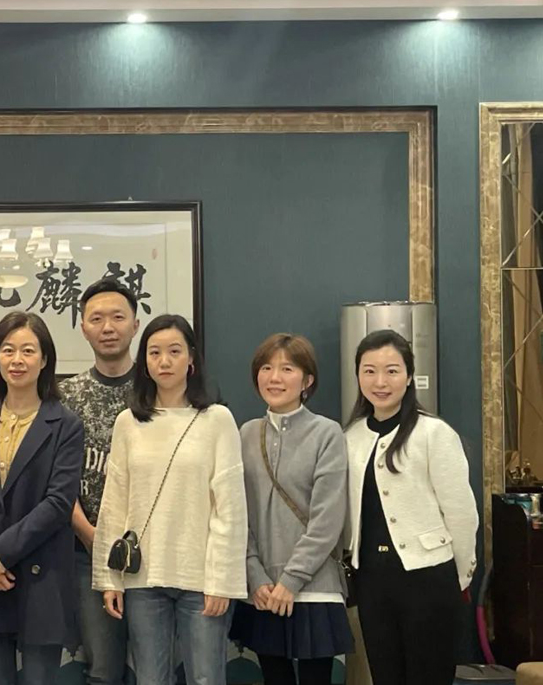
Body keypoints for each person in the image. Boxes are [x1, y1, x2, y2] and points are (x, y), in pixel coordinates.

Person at [93, 314, 247, 685]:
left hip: (201, 578)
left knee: (206, 678)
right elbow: (115, 503)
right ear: (144, 361)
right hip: (143, 578)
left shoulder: (217, 419)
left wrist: (222, 581)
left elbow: (230, 508)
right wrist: (109, 578)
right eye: (154, 352)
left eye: (174, 351)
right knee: (150, 678)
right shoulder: (129, 422)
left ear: (191, 358)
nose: (164, 361)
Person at [0, 311, 83, 685]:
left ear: (45, 359)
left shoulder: (66, 424)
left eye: (28, 350)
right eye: (8, 350)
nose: (17, 360)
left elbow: (58, 503)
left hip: (41, 575)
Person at [345, 329, 479, 685]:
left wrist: (460, 577)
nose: (380, 382)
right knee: (385, 675)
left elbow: (462, 514)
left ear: (408, 376)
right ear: (358, 376)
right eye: (369, 371)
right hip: (372, 581)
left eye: (392, 371)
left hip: (429, 577)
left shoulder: (433, 433)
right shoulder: (351, 437)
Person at [231, 334, 353, 685]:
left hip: (314, 588)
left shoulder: (326, 433)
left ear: (307, 380)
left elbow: (328, 519)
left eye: (287, 369)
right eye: (266, 368)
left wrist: (291, 581)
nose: (274, 378)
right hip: (263, 592)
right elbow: (238, 513)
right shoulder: (246, 434)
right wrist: (255, 577)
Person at [58, 279, 139, 685]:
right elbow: (57, 478)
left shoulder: (160, 388)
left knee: (157, 668)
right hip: (85, 551)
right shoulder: (65, 395)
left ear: (135, 325)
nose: (108, 327)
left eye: (118, 317)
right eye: (97, 319)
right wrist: (88, 533)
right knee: (103, 669)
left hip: (156, 553)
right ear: (83, 328)